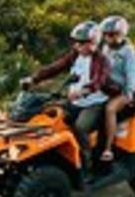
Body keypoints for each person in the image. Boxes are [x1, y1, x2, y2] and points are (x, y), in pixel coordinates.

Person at [25, 20, 112, 177]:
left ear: (93, 42)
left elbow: (99, 81)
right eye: (75, 43)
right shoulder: (75, 56)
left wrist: (83, 91)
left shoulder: (101, 60)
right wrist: (34, 79)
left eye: (81, 43)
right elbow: (55, 67)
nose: (77, 46)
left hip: (93, 103)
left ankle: (88, 165)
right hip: (74, 101)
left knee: (80, 127)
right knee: (49, 117)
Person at [98, 15, 135, 164]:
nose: (108, 37)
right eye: (105, 34)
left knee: (110, 109)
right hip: (107, 88)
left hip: (123, 91)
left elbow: (132, 74)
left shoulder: (127, 51)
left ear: (121, 34)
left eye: (111, 34)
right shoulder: (105, 49)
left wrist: (129, 93)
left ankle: (108, 149)